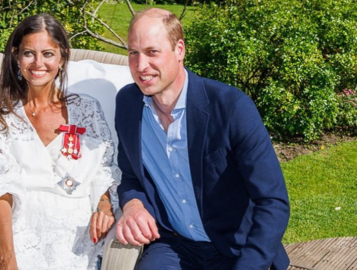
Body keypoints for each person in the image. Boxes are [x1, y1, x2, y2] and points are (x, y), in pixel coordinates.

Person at [114, 8, 290, 270]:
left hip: (236, 249)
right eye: (133, 53)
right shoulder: (128, 103)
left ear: (179, 50)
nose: (140, 66)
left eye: (152, 52)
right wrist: (133, 205)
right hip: (174, 245)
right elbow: (130, 176)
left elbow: (272, 201)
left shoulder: (231, 108)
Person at [0, 14, 120, 270]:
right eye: (29, 53)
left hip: (73, 231)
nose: (38, 63)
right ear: (16, 56)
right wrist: (7, 260)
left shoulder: (87, 110)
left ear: (62, 57)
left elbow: (102, 169)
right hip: (18, 228)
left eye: (48, 53)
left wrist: (104, 205)